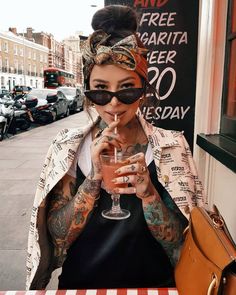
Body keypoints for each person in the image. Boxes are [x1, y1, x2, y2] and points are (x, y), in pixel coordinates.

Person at [26, 5, 205, 290]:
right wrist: (93, 180)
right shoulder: (67, 148)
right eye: (100, 90)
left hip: (156, 287)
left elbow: (182, 246)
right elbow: (56, 241)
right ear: (87, 92)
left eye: (127, 90)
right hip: (82, 286)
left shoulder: (173, 148)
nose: (113, 103)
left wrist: (149, 196)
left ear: (143, 91)